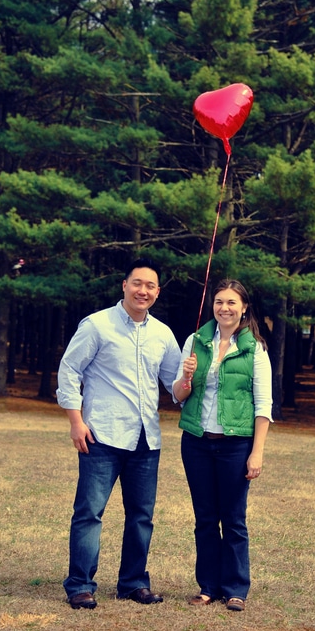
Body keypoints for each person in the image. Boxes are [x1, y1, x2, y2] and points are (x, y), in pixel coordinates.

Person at [57, 258, 181, 609]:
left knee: (141, 517)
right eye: (137, 283)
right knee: (89, 513)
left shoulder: (163, 334)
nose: (143, 290)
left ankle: (133, 582)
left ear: (157, 293)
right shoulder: (97, 325)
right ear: (124, 285)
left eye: (151, 286)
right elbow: (68, 371)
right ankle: (80, 584)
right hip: (102, 437)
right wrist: (75, 421)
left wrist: (188, 377)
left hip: (146, 440)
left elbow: (175, 387)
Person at [172, 279, 272, 612]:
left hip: (235, 446)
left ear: (244, 308)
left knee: (233, 519)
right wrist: (186, 377)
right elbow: (178, 395)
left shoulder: (254, 348)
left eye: (231, 302)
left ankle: (235, 588)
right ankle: (208, 586)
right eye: (218, 302)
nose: (224, 308)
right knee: (204, 518)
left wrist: (256, 452)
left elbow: (263, 405)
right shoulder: (195, 341)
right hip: (197, 442)